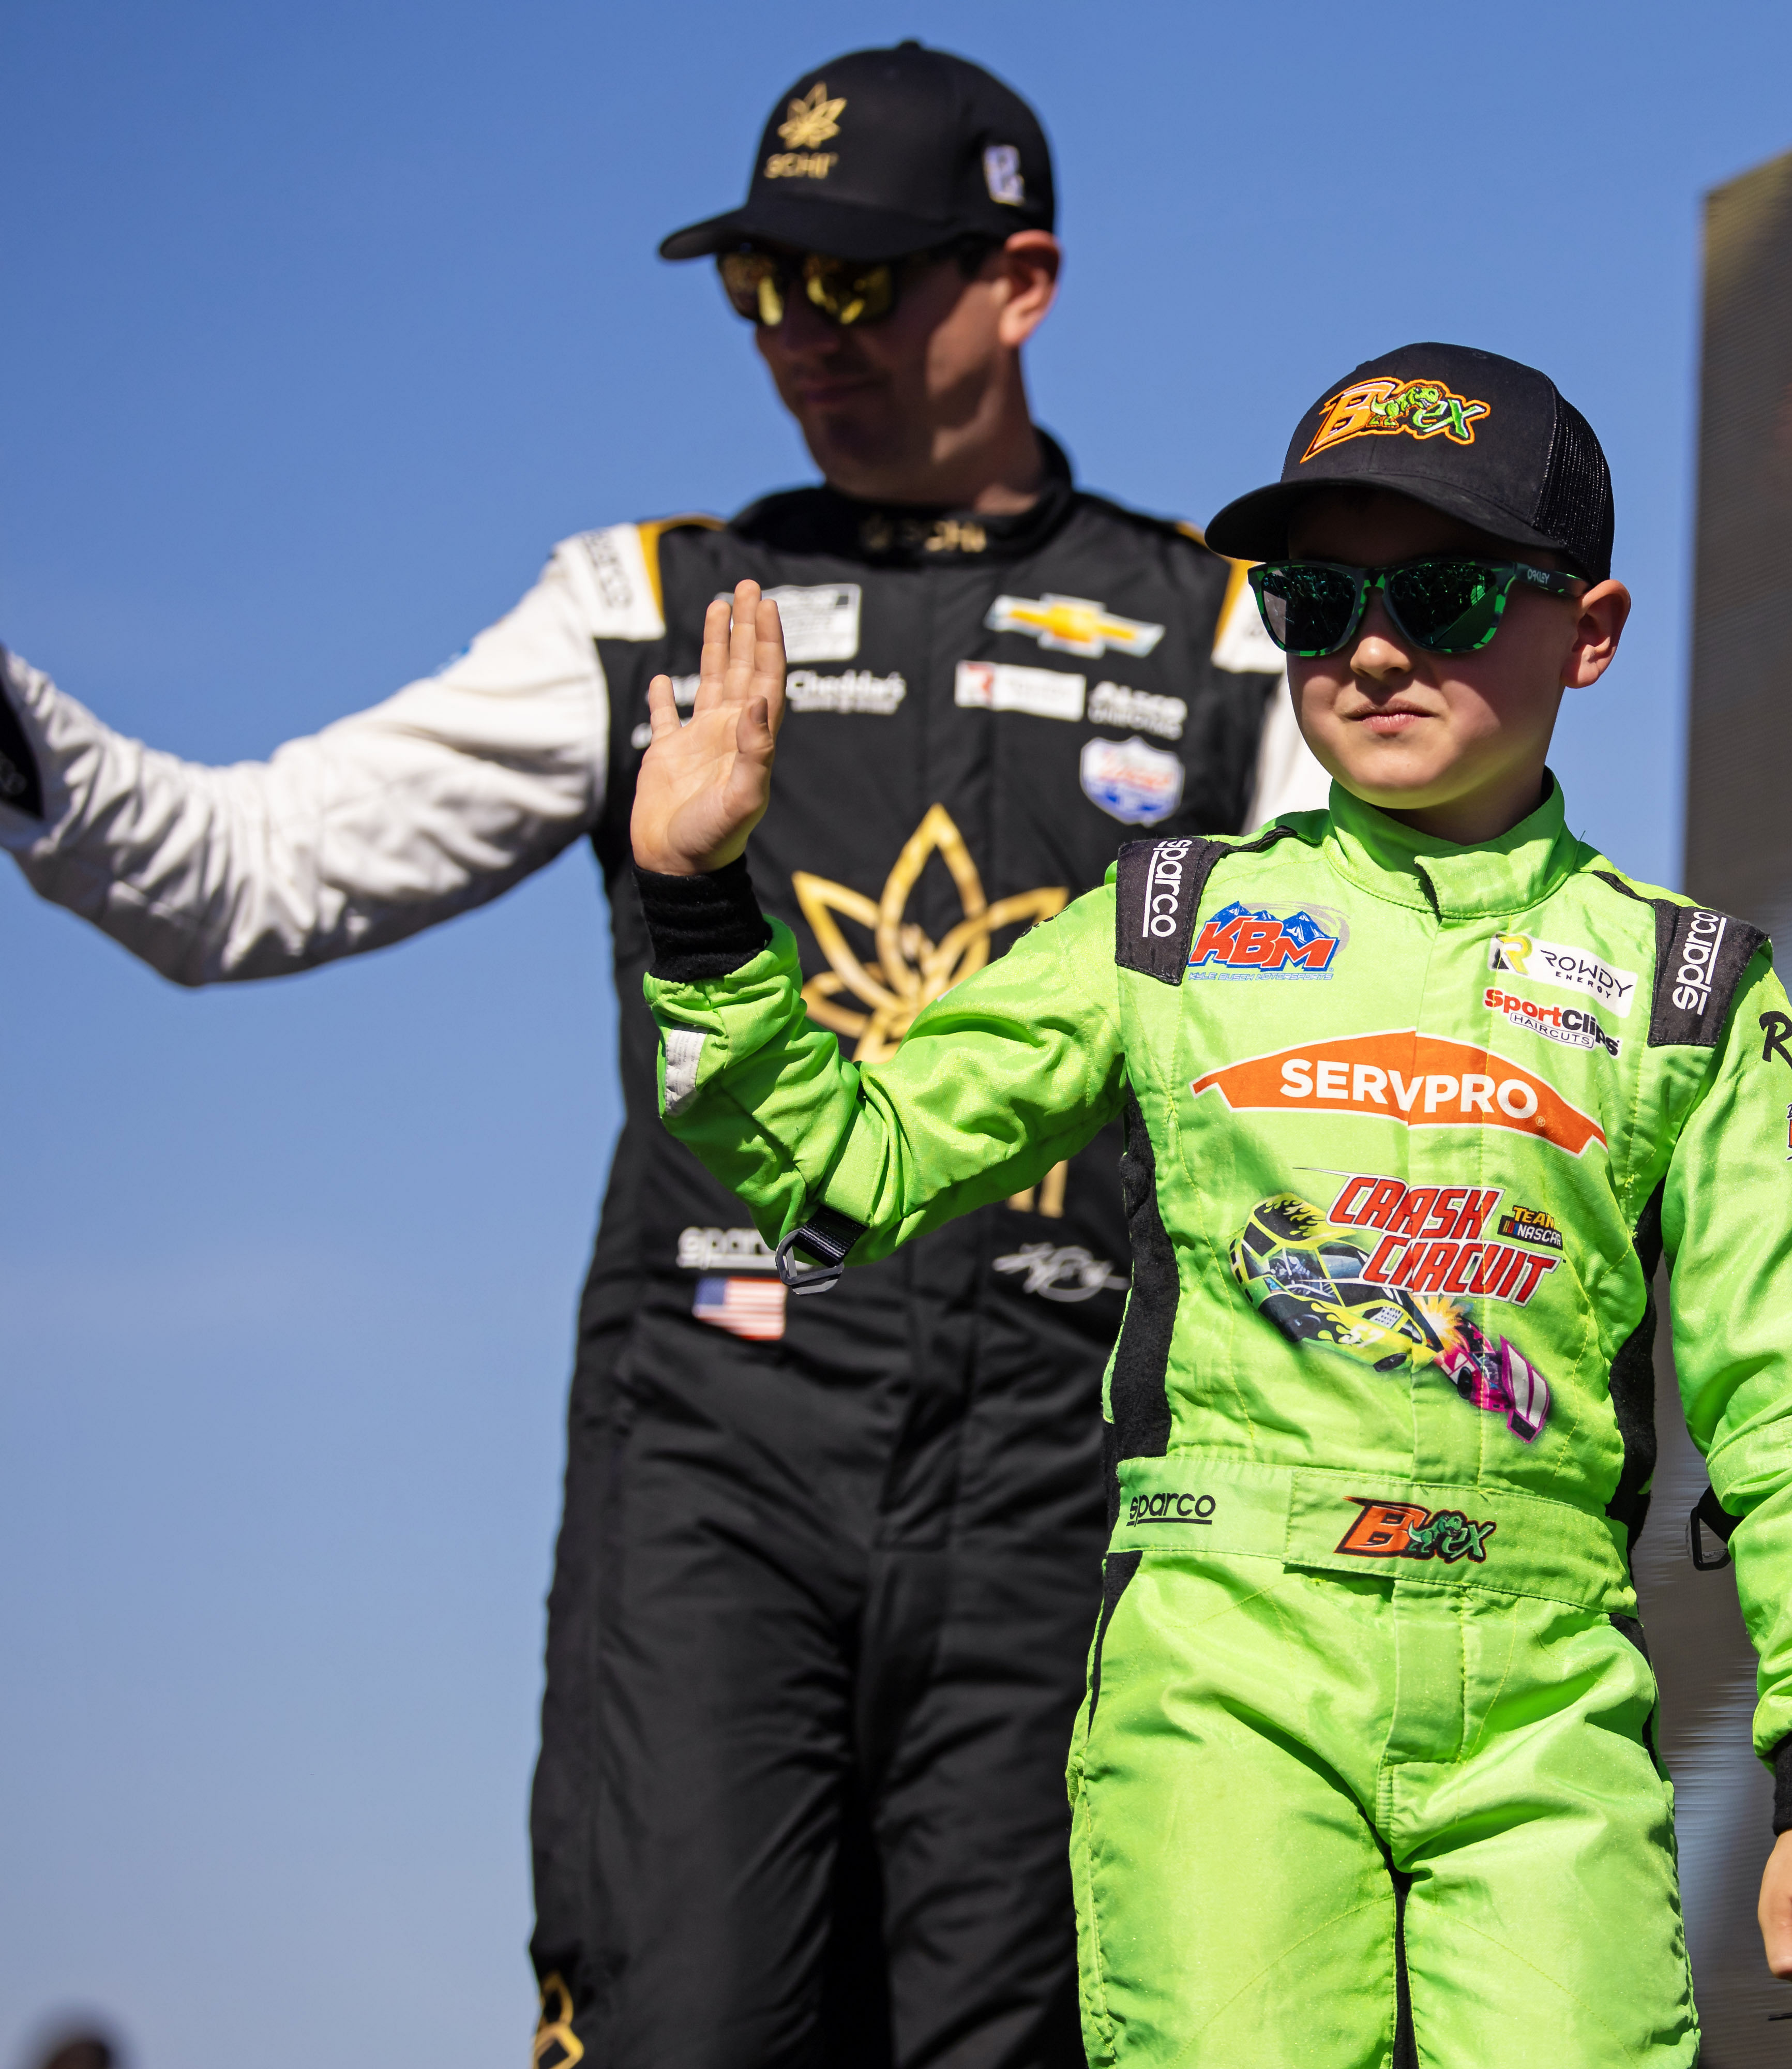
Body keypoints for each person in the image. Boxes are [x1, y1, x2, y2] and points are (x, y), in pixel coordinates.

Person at [0, 44, 1319, 2069]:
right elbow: (238, 878)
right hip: (720, 1471)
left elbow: (1394, 1050)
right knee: (684, 2027)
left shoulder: (1227, 642)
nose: (803, 336)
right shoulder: (641, 610)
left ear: (1022, 279)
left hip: (1072, 1495)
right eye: (760, 285)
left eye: (856, 285)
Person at [629, 343, 1792, 2063]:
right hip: (1226, 1668)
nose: (1376, 648)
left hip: (1549, 1694)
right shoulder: (1166, 917)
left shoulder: (1686, 982)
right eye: (1318, 601)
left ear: (1589, 633)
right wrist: (701, 907)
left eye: (1447, 593)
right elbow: (843, 1165)